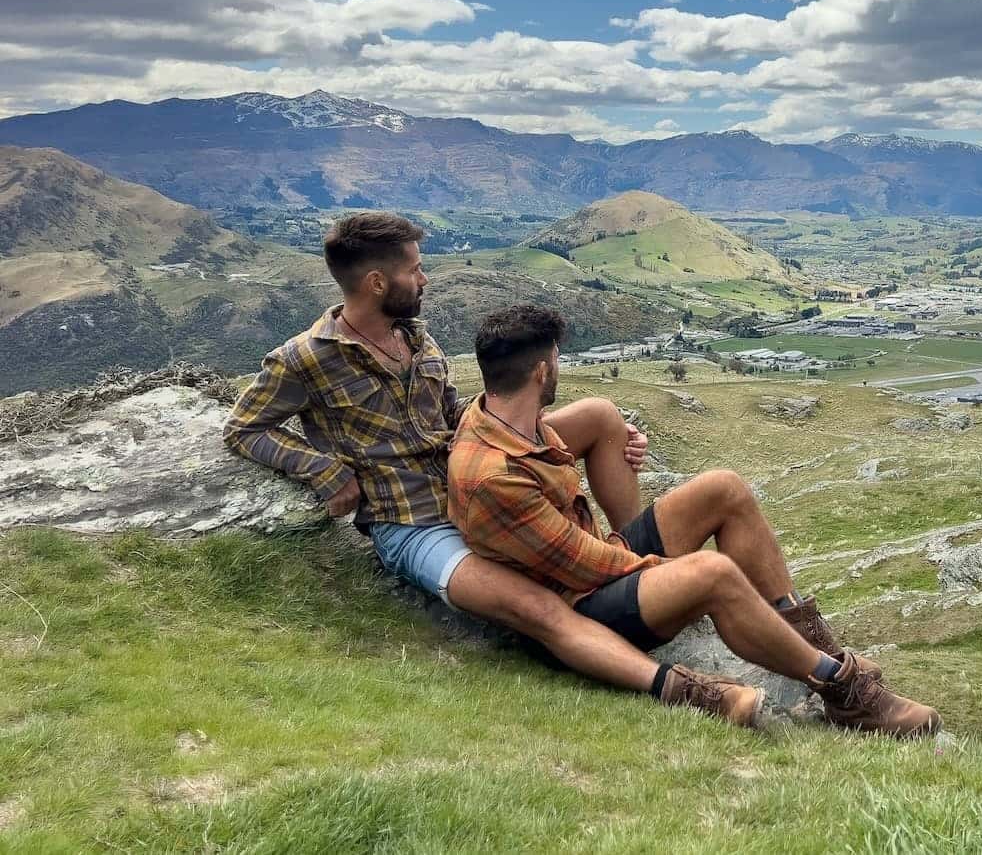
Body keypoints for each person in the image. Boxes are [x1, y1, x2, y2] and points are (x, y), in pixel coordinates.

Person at [223, 211, 754, 723]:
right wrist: (322, 470)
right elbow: (243, 428)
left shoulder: (415, 338)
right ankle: (687, 690)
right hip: (416, 524)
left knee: (600, 417)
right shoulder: (303, 358)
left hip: (468, 472)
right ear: (378, 282)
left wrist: (540, 441)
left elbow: (456, 414)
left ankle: (630, 566)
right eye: (414, 269)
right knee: (539, 609)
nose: (425, 277)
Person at [448, 304, 942, 737]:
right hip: (584, 604)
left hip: (598, 560)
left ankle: (812, 645)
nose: (559, 368)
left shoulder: (497, 413)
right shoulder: (493, 477)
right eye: (556, 360)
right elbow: (584, 567)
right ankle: (843, 692)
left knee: (723, 487)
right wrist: (669, 571)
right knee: (715, 575)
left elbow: (587, 432)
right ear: (540, 372)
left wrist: (622, 438)